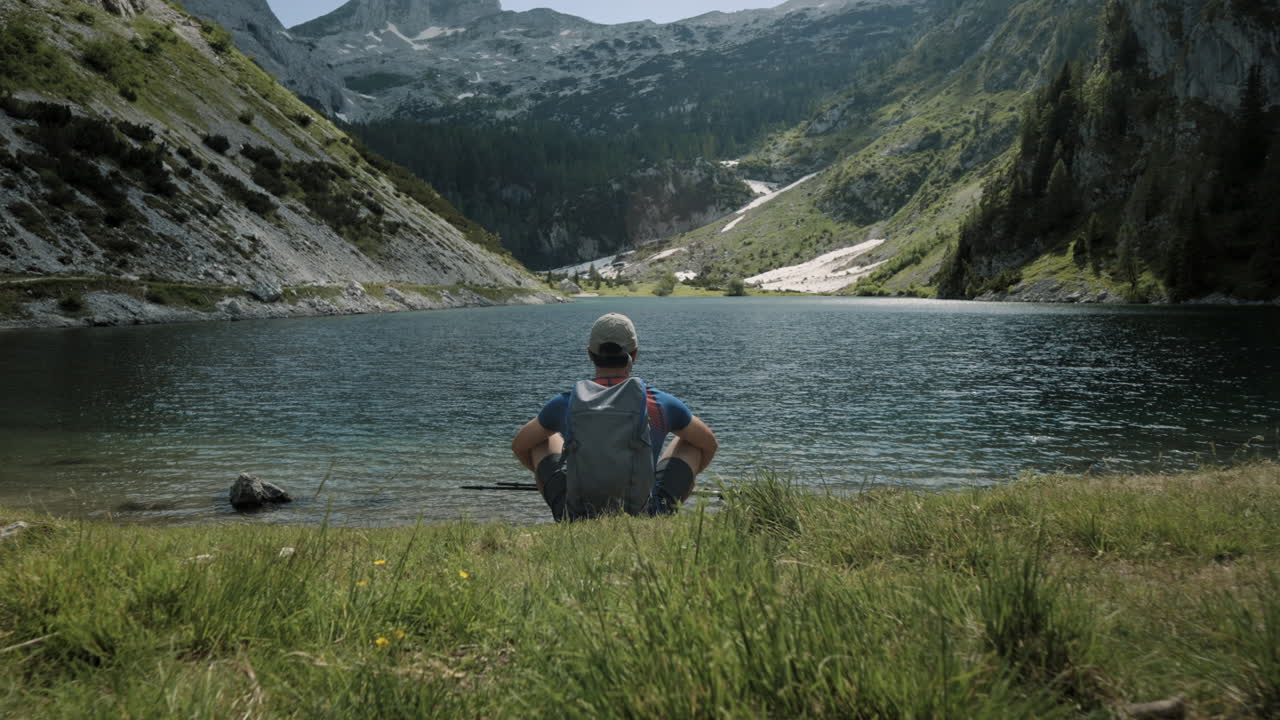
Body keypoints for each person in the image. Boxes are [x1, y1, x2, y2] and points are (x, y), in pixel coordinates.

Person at [512, 312, 718, 521]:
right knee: (691, 443)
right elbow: (709, 444)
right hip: (646, 514)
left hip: (575, 515)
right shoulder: (659, 403)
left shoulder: (565, 404)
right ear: (634, 354)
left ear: (590, 354)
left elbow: (519, 445)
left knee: (541, 440)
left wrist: (556, 478)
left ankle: (567, 517)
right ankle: (662, 517)